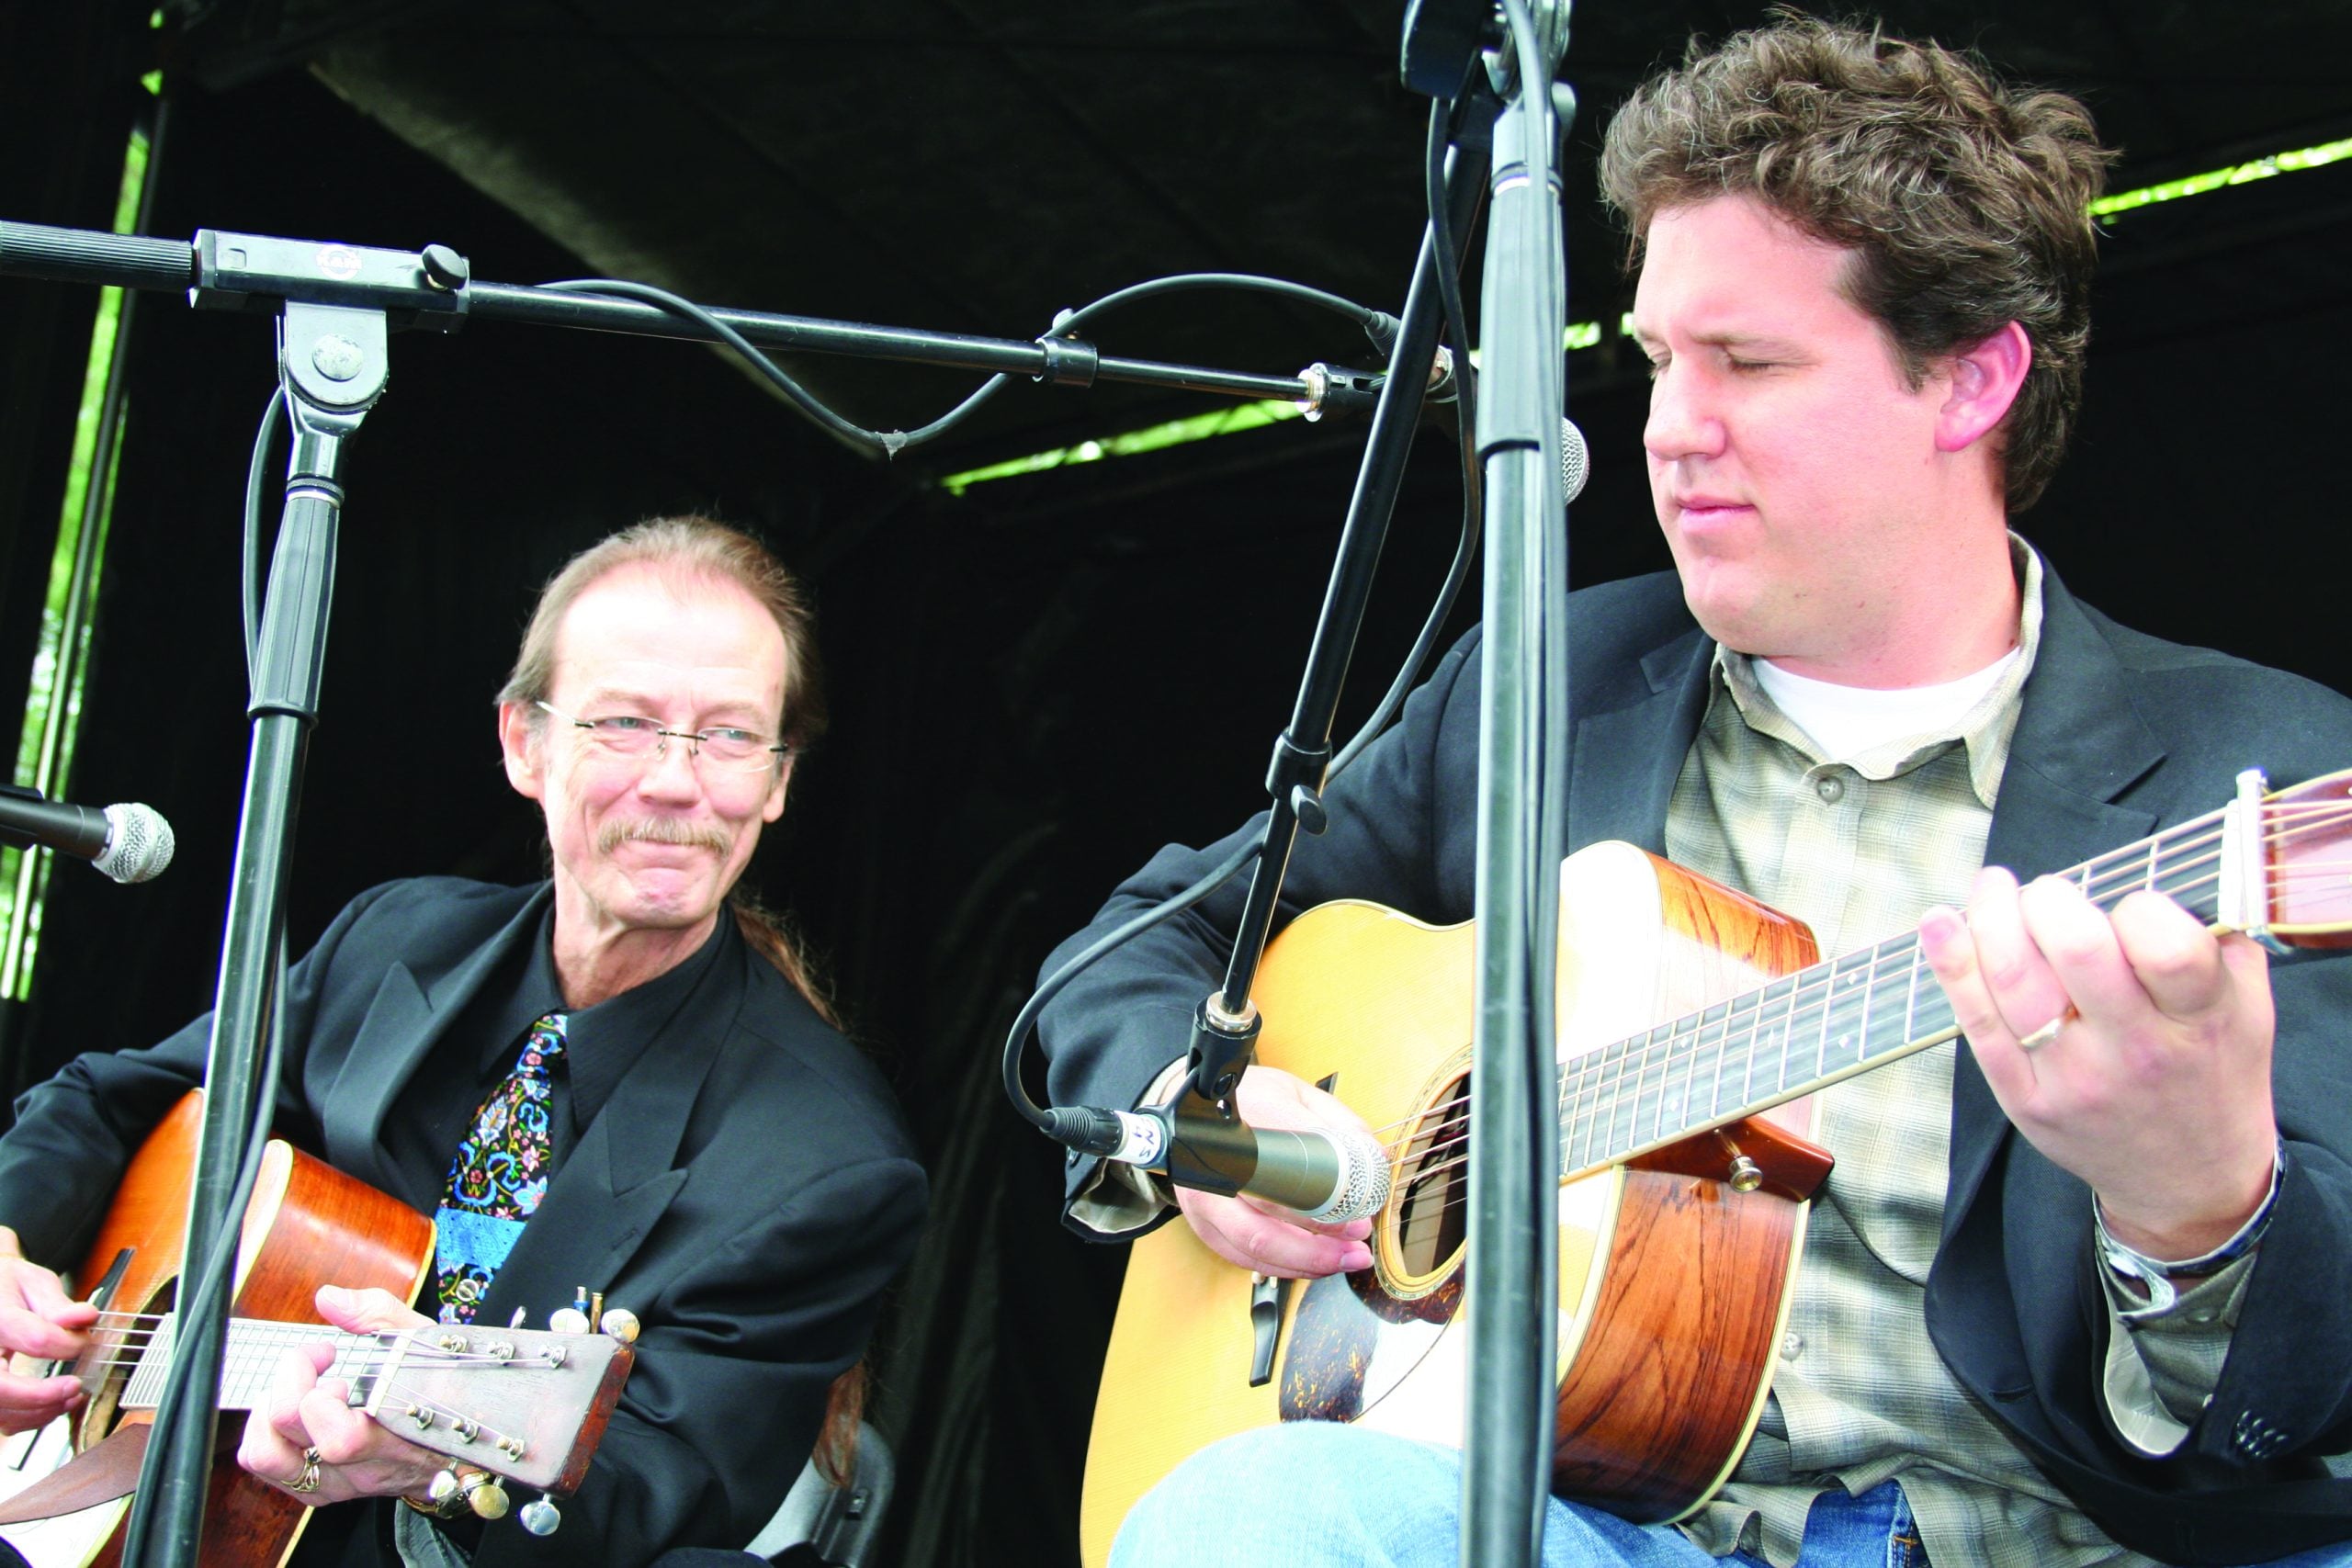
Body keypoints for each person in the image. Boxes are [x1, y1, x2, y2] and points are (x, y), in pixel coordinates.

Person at [1035, 18, 2352, 1568]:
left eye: (1753, 362)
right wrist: (1215, 1122)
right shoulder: (1546, 679)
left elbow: (2299, 1401)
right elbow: (1136, 948)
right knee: (1249, 1517)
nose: (1669, 429)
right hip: (1597, 1528)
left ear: (1972, 378)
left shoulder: (2261, 782)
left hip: (2056, 1542)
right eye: (1662, 358)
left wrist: (2193, 1206)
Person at [0, 517, 927, 1567]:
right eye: (624, 722)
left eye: (728, 735)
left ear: (776, 780)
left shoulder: (827, 1164)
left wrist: (434, 1464)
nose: (676, 781)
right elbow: (111, 1098)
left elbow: (660, 1495)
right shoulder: (393, 938)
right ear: (523, 743)